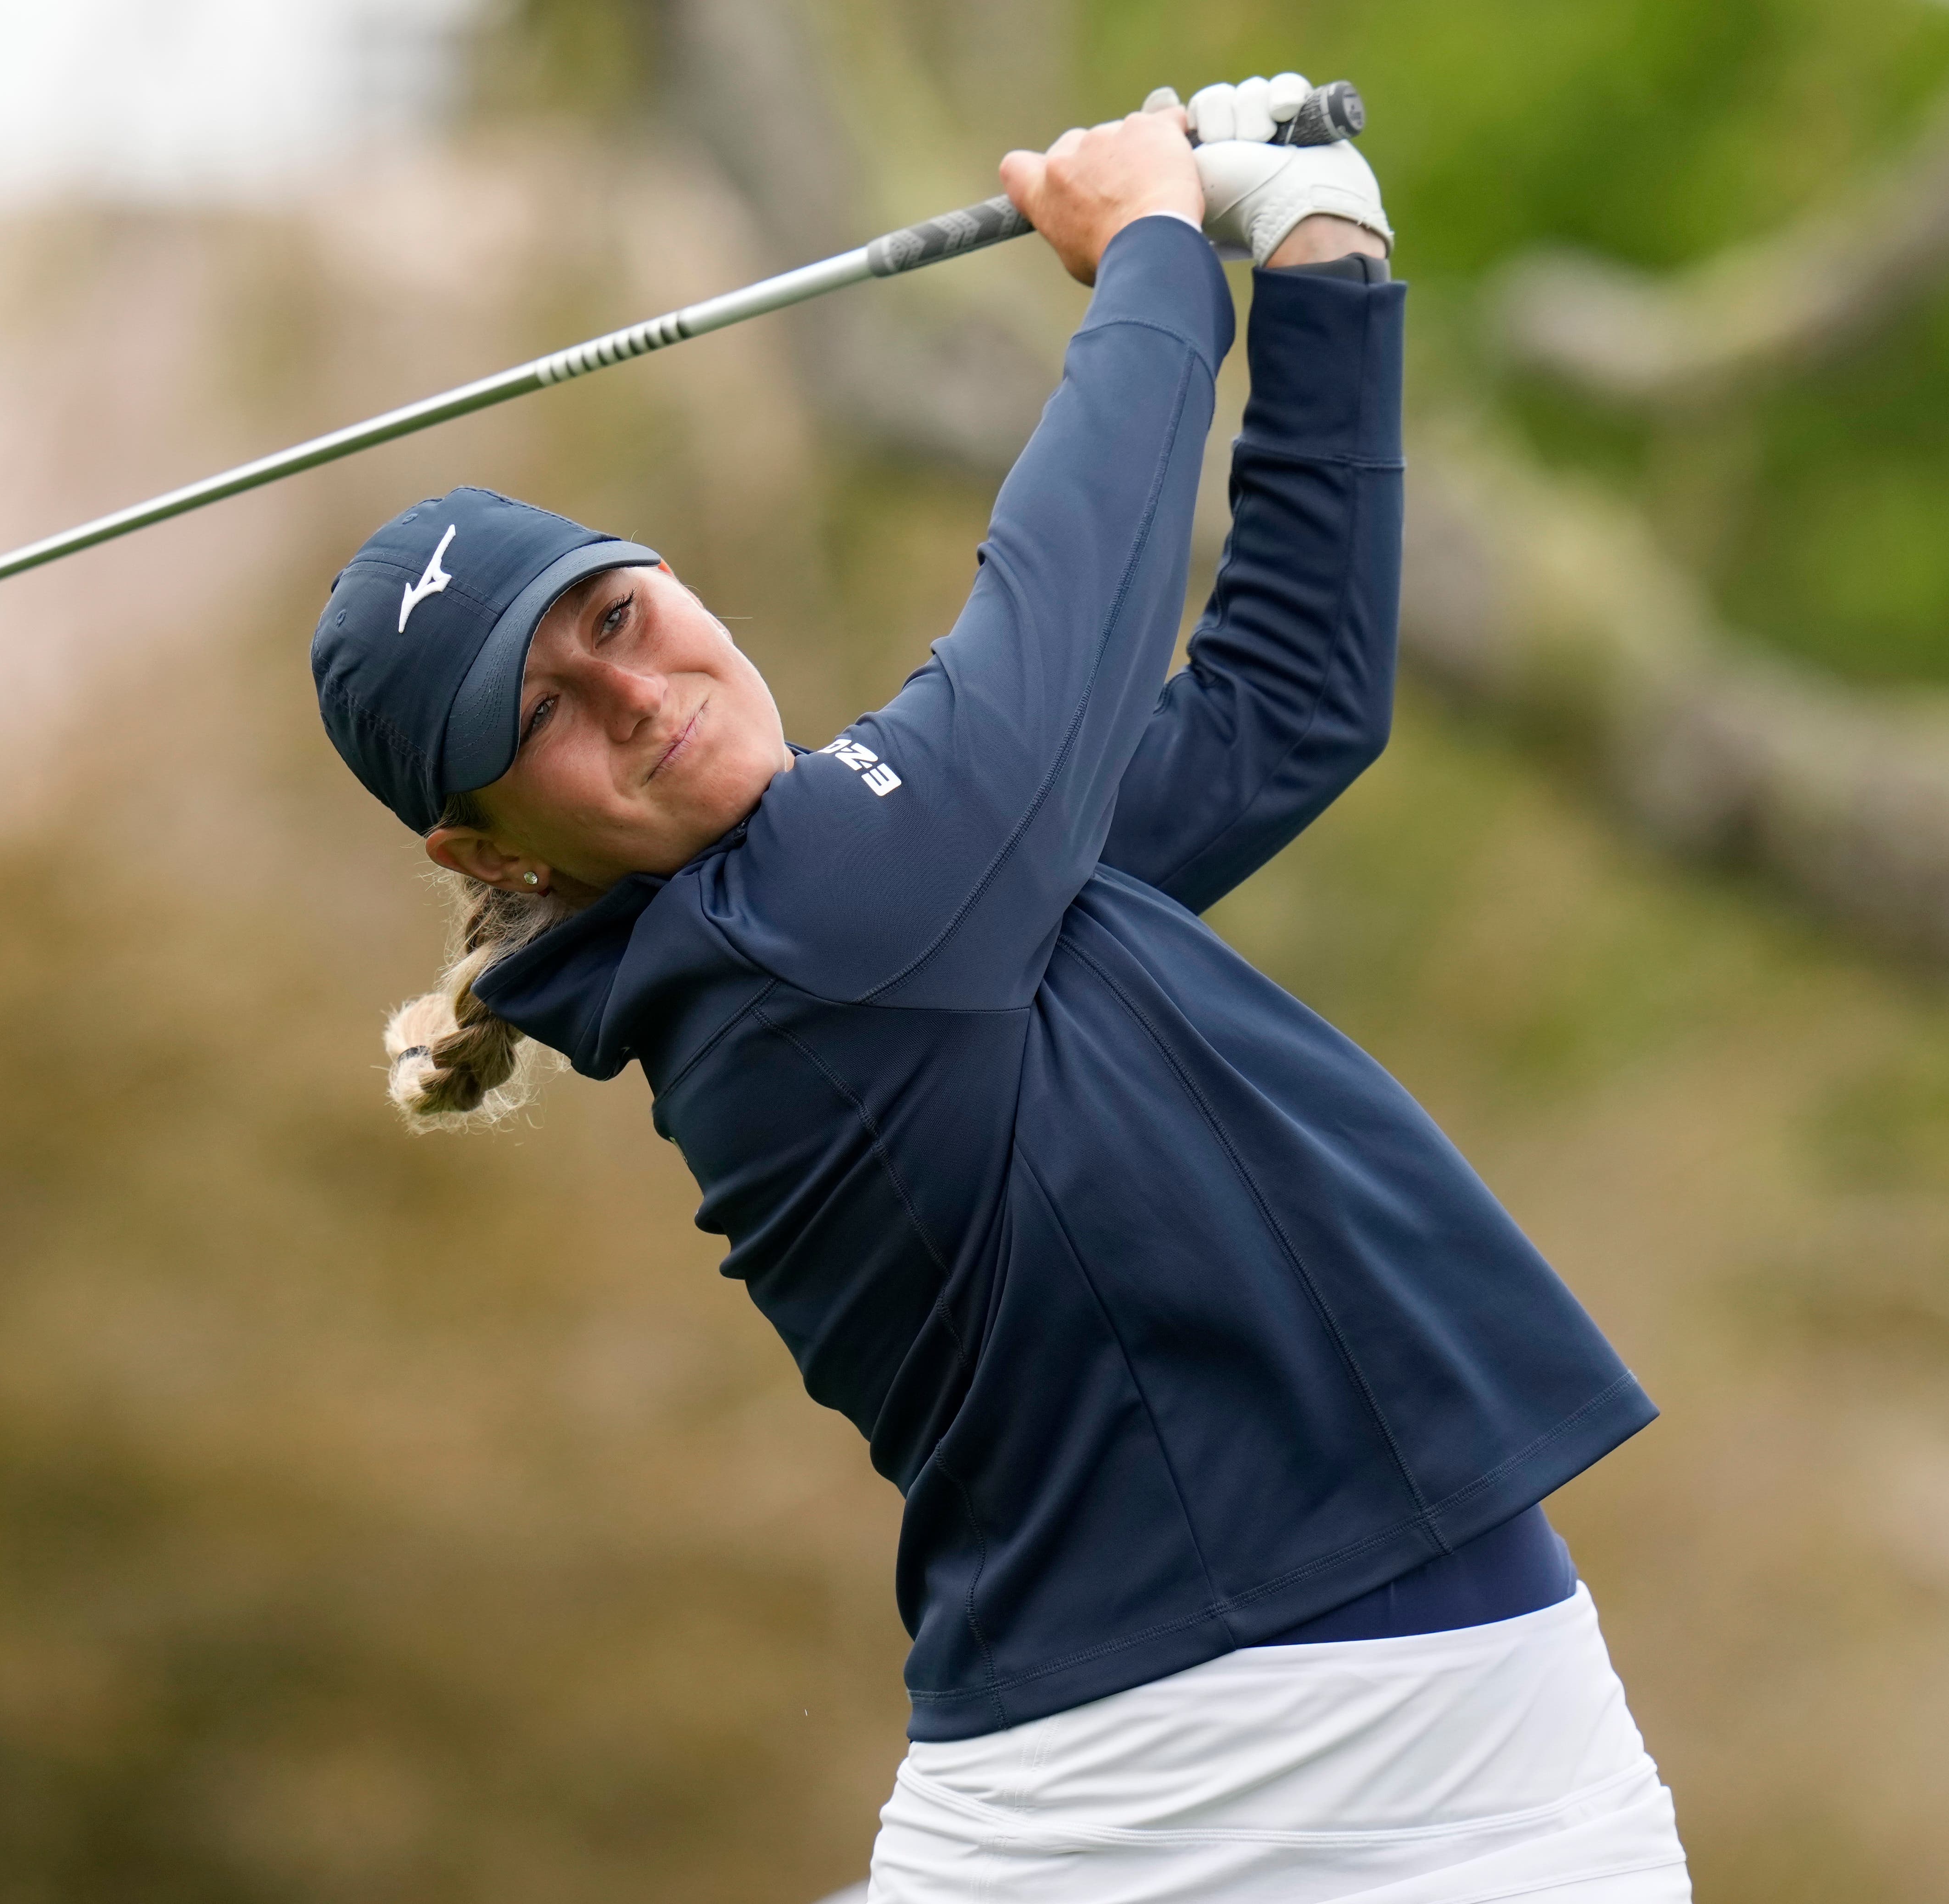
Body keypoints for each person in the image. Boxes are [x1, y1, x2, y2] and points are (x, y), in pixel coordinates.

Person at [308, 77, 1692, 1904]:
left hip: (1349, 1768)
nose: (634, 691)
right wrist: (1144, 257)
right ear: (487, 853)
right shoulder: (809, 934)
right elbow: (1066, 595)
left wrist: (1322, 250)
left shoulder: (914, 876)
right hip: (1233, 1790)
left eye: (614, 615)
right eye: (541, 714)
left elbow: (1287, 702)